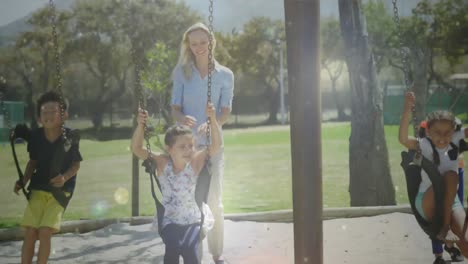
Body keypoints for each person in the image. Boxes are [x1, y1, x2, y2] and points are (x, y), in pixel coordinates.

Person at [171, 22, 234, 264]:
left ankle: (217, 254)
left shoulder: (225, 75)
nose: (198, 47)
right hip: (187, 148)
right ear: (188, 45)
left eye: (202, 42)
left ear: (211, 43)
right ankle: (191, 252)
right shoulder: (181, 73)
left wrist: (213, 122)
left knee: (214, 200)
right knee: (189, 201)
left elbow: (226, 110)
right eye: (193, 43)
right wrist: (182, 118)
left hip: (213, 146)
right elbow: (175, 109)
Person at [131, 103, 221, 264]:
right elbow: (137, 148)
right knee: (172, 250)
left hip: (193, 218)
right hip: (169, 219)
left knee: (191, 253)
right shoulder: (162, 162)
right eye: (182, 146)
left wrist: (212, 119)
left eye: (191, 146)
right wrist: (140, 125)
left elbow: (216, 146)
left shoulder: (195, 162)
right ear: (169, 148)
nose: (188, 150)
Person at [13, 91, 82, 264]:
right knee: (30, 232)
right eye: (45, 112)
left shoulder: (69, 137)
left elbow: (76, 165)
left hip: (60, 191)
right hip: (38, 188)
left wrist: (64, 178)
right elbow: (33, 162)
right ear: (39, 117)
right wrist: (24, 180)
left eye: (53, 111)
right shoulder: (36, 137)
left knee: (44, 231)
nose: (48, 115)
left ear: (64, 115)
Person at [399, 91, 468, 258]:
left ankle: (448, 230)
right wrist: (407, 108)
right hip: (427, 199)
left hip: (452, 202)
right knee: (451, 177)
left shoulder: (456, 140)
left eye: (447, 132)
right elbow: (402, 139)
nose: (443, 137)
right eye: (437, 132)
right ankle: (445, 228)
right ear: (428, 131)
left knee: (465, 242)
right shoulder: (423, 144)